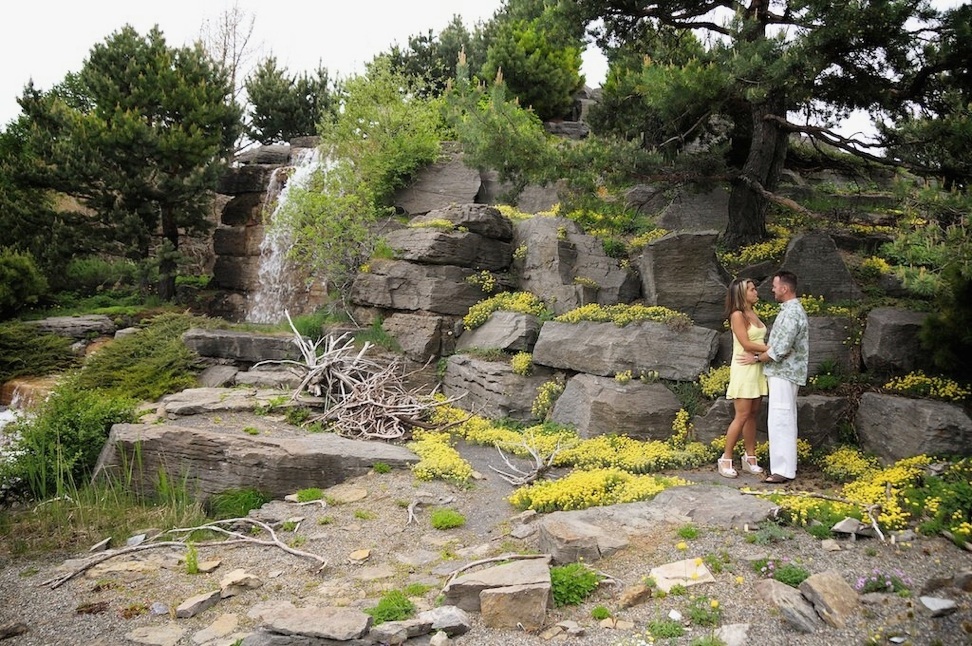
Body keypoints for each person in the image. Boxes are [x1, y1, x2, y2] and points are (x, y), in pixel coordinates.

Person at [744, 270, 810, 484]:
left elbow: (781, 348)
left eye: (775, 286)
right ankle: (784, 467)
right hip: (784, 372)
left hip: (784, 372)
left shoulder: (791, 313)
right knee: (782, 417)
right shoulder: (791, 310)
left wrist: (757, 358)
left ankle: (783, 470)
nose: (772, 289)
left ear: (784, 288)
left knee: (781, 419)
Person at [718, 278, 768, 478]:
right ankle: (726, 458)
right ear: (741, 294)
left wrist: (763, 354)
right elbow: (746, 343)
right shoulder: (737, 315)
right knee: (742, 415)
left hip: (756, 367)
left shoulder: (752, 313)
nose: (756, 292)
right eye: (752, 289)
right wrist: (772, 349)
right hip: (744, 368)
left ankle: (750, 457)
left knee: (753, 414)